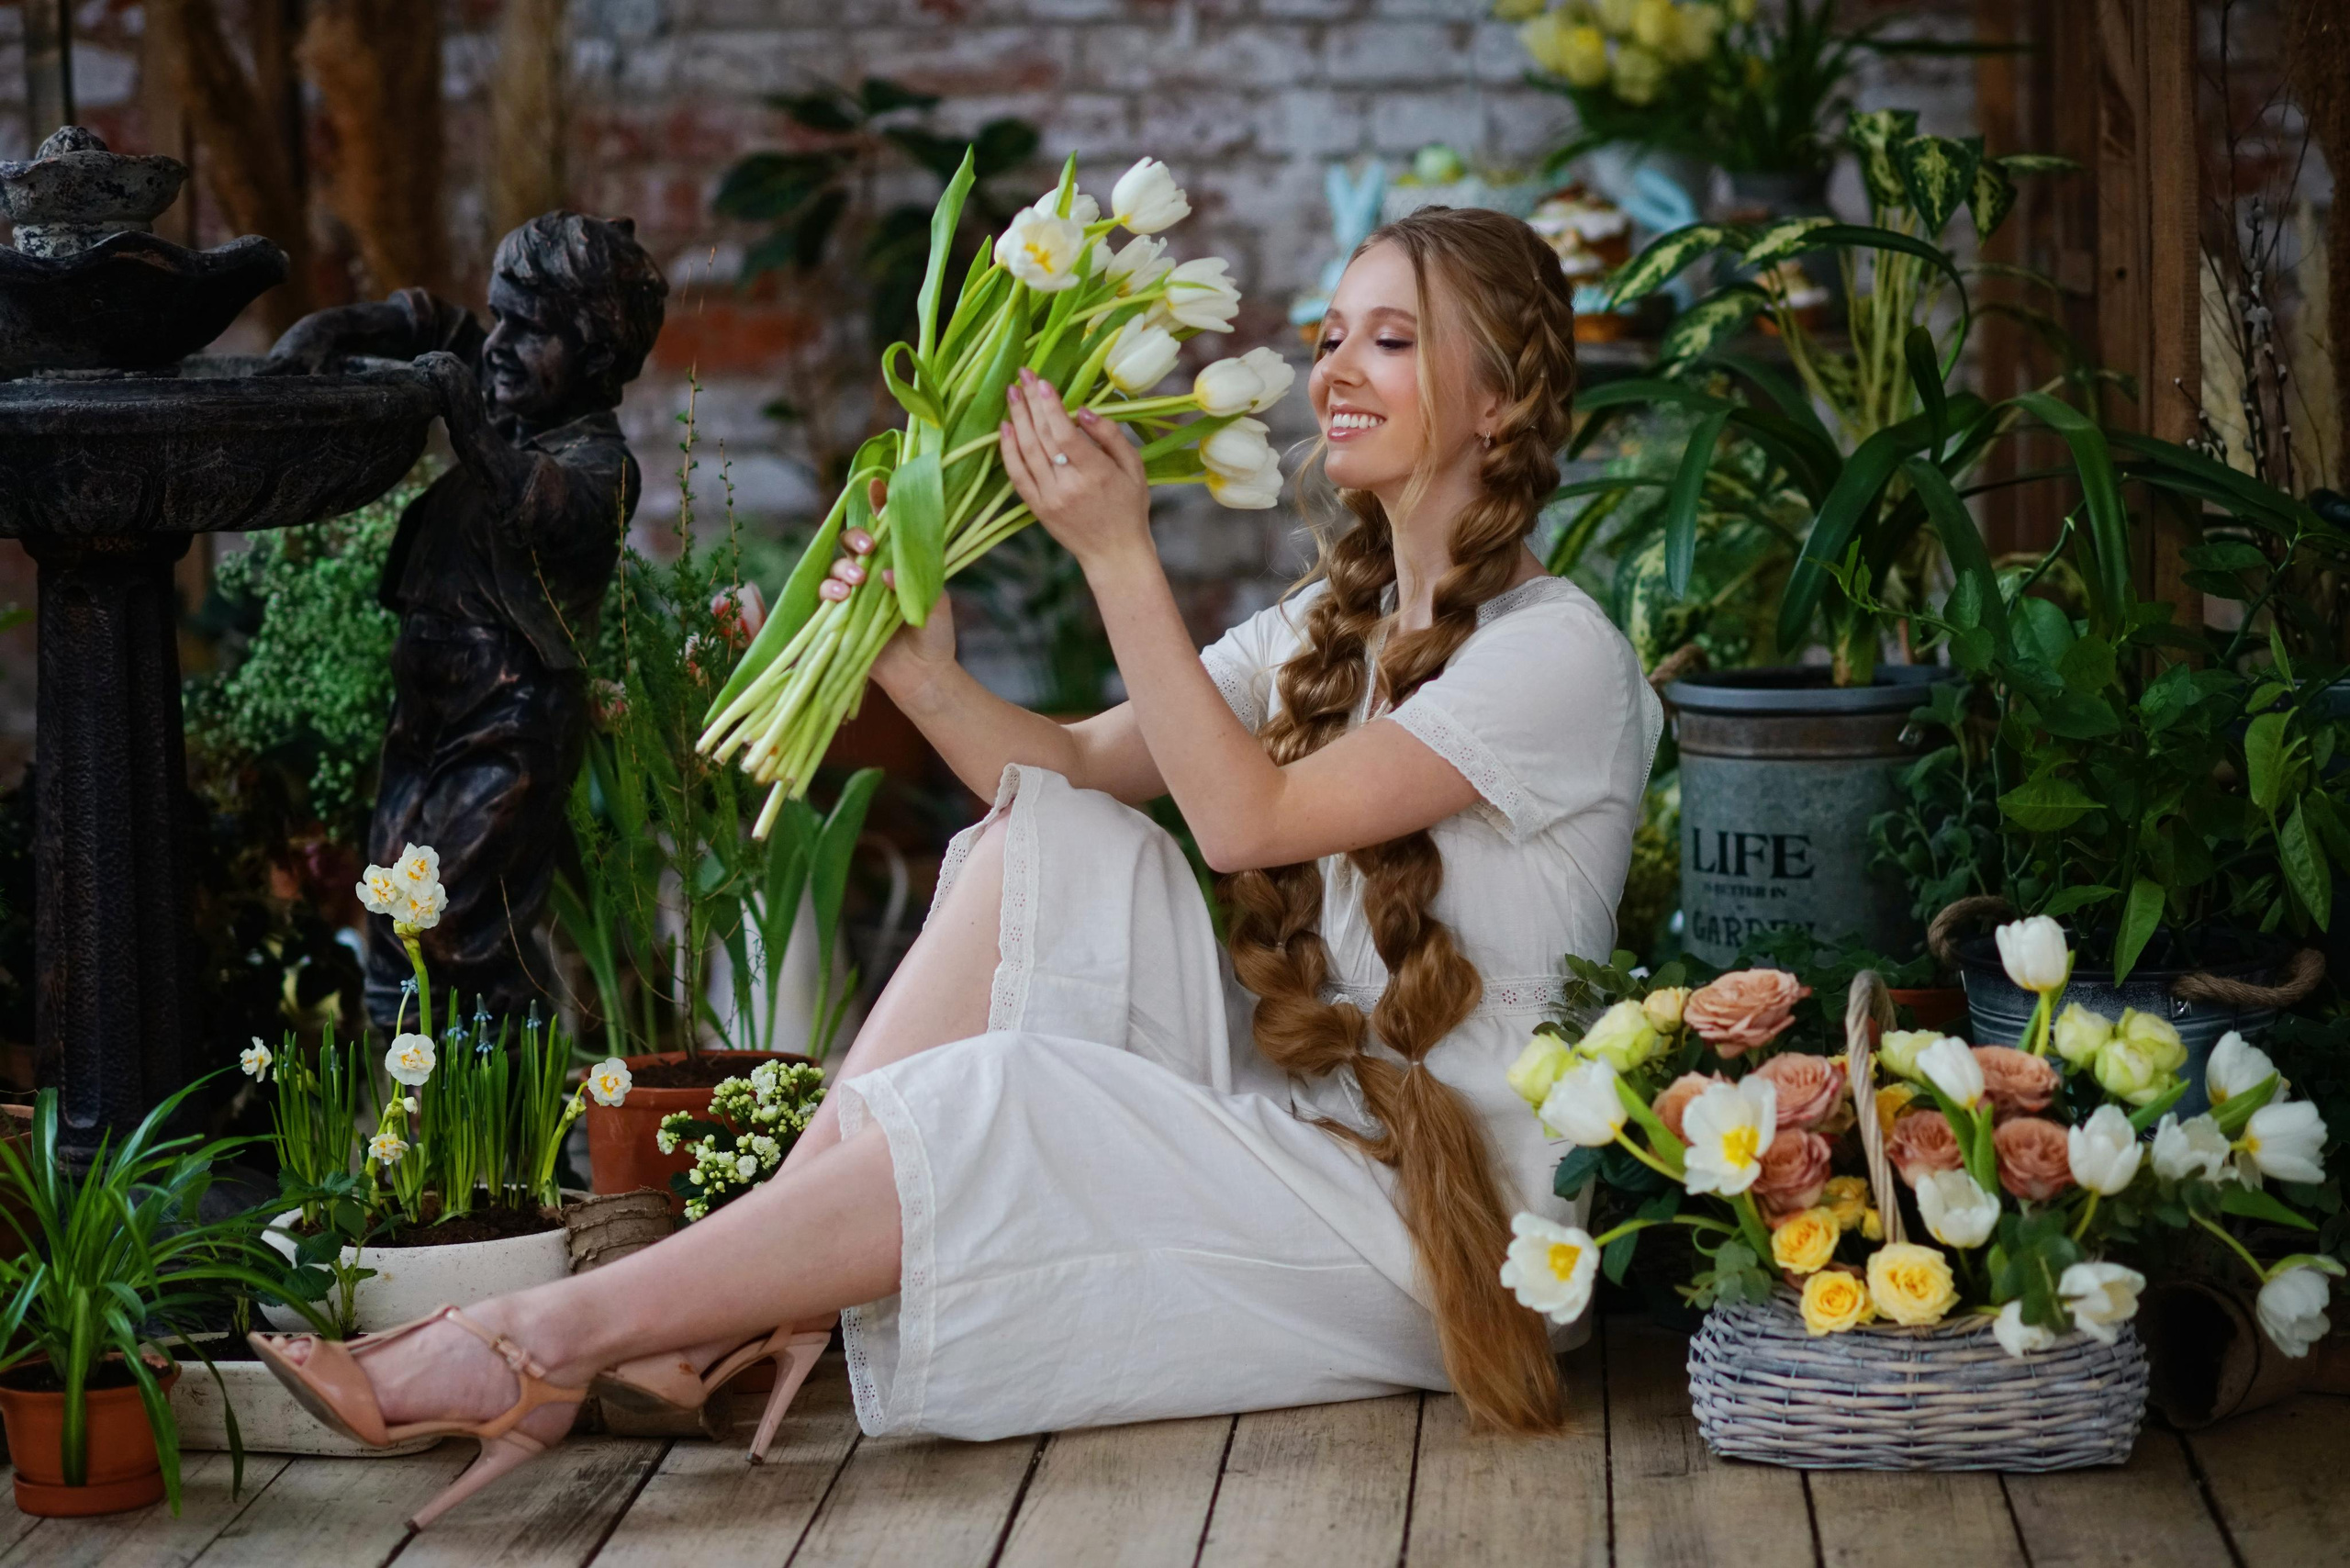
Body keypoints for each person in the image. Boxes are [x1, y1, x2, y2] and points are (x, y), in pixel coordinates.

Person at [251, 206, 1661, 1529]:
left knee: (1006, 1095)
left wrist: (1120, 555)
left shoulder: (1559, 655)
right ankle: (730, 1307)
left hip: (1447, 1243)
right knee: (1042, 836)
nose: (1334, 367)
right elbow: (1062, 766)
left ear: (1499, 400)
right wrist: (915, 668)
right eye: (1332, 333)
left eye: (1390, 339)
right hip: (1304, 1133)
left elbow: (1242, 826)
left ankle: (540, 1340)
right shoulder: (1325, 624)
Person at [265, 213, 669, 1033]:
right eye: (501, 317)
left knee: (456, 925)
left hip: (509, 726)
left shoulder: (601, 465)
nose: (499, 345)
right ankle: (409, 1134)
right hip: (424, 719)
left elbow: (539, 506)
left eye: (531, 329)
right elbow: (443, 328)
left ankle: (509, 1134)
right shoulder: (510, 387)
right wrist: (342, 325)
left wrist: (463, 414)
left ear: (594, 355)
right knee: (390, 912)